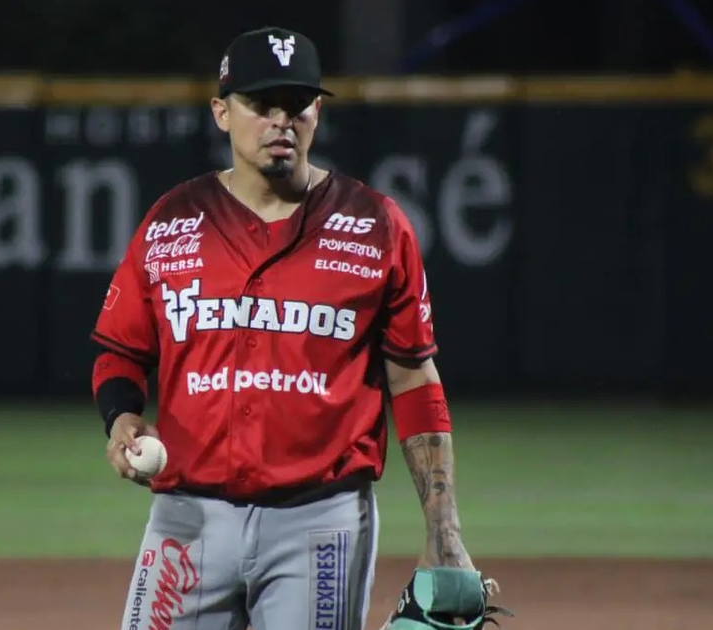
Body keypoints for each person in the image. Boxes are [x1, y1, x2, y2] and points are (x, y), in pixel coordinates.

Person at [91, 25, 497, 630]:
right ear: (222, 113)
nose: (282, 119)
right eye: (262, 104)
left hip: (320, 520)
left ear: (318, 112)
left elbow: (413, 378)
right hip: (187, 516)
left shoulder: (375, 225)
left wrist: (445, 530)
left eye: (298, 104)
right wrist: (121, 416)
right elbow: (119, 349)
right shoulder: (173, 220)